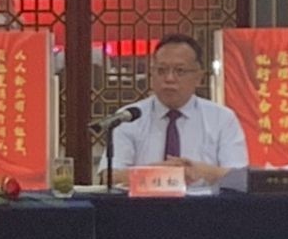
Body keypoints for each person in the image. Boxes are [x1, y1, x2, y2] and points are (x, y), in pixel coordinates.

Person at [102, 33, 247, 191]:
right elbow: (108, 177)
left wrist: (202, 172)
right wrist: (157, 173)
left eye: (180, 71)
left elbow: (240, 179)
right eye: (161, 70)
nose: (169, 78)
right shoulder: (129, 117)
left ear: (199, 77)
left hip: (203, 205)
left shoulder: (222, 118)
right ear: (151, 74)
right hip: (143, 205)